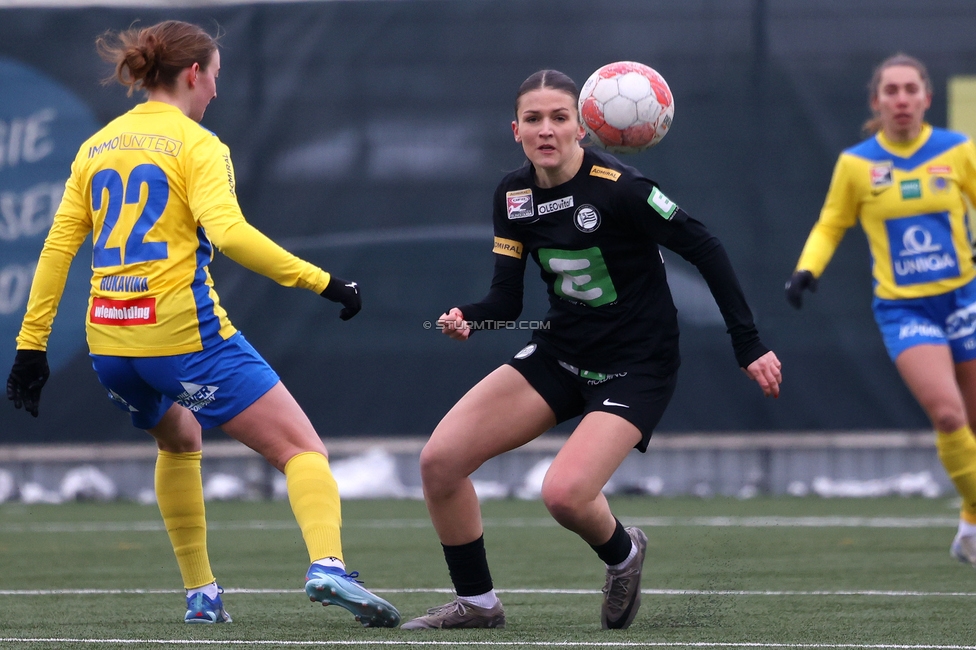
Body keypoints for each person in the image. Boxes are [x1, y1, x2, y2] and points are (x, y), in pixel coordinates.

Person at [4, 20, 399, 628]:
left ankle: (202, 595)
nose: (215, 89)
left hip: (110, 345)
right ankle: (327, 565)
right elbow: (232, 234)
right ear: (193, 73)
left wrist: (31, 349)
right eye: (215, 76)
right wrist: (323, 281)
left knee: (180, 439)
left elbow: (57, 250)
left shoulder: (98, 145)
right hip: (184, 339)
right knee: (303, 451)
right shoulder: (198, 145)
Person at [401, 69, 782, 631]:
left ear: (582, 126)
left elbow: (706, 247)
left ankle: (623, 555)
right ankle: (478, 604)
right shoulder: (513, 194)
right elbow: (506, 300)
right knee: (439, 462)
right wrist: (470, 320)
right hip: (560, 352)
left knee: (565, 495)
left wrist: (748, 344)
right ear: (516, 130)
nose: (546, 129)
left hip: (636, 366)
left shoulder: (621, 188)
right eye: (534, 119)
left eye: (559, 117)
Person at [786, 53, 976, 567]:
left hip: (964, 299)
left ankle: (970, 526)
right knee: (946, 412)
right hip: (904, 309)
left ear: (926, 98)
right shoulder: (857, 164)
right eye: (890, 91)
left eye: (910, 89)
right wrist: (808, 269)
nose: (901, 99)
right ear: (876, 101)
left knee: (974, 424)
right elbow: (831, 223)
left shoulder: (957, 150)